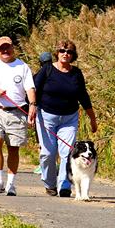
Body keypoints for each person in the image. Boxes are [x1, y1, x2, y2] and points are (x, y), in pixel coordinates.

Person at [33, 39, 98, 197]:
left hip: (69, 118)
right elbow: (32, 89)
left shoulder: (76, 73)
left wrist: (92, 118)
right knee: (48, 153)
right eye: (62, 51)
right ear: (57, 53)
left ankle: (64, 185)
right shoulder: (47, 70)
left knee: (66, 152)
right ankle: (49, 183)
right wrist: (31, 107)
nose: (65, 54)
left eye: (69, 52)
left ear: (73, 56)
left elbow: (83, 96)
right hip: (46, 116)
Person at [0, 36, 36, 197]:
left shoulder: (22, 67)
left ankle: (11, 184)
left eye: (7, 47)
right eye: (1, 48)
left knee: (13, 148)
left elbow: (30, 88)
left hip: (16, 112)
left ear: (13, 48)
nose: (5, 51)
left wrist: (32, 104)